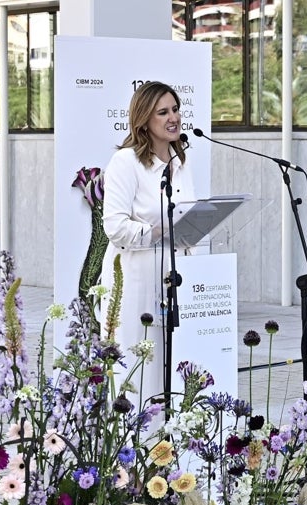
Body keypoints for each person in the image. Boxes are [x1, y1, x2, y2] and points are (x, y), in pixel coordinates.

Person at [101, 81, 194, 403]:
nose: (174, 118)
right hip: (136, 280)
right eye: (163, 112)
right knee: (138, 366)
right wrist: (159, 231)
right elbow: (114, 227)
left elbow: (184, 213)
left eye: (176, 109)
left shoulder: (180, 160)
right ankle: (132, 446)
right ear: (144, 119)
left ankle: (167, 446)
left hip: (173, 277)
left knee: (170, 367)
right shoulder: (126, 162)